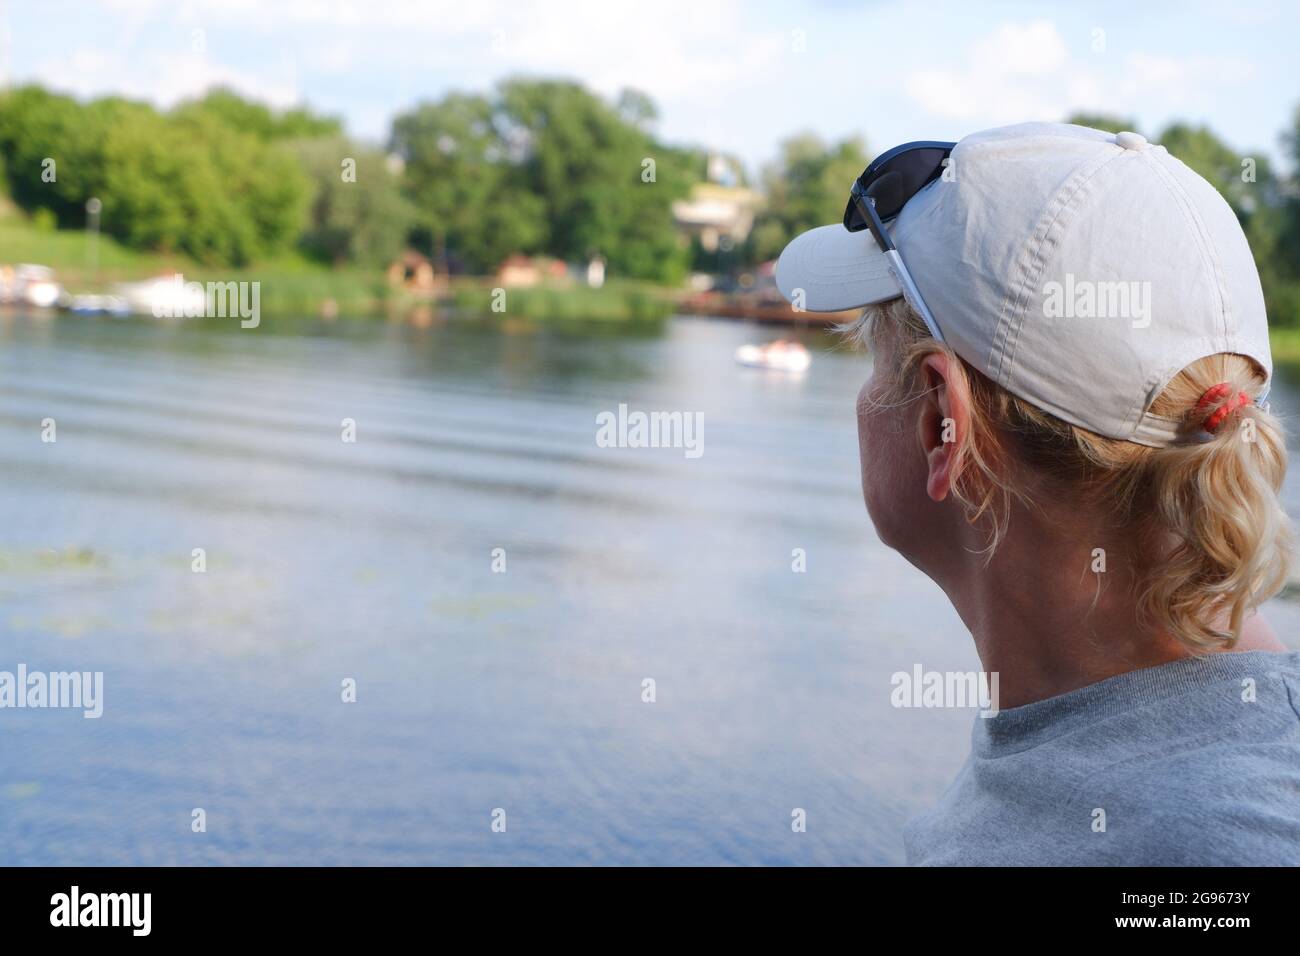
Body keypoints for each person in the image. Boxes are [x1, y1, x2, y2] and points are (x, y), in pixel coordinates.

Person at [775, 122, 1300, 865]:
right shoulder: (1219, 773)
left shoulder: (1206, 846)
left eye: (870, 355)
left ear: (941, 422)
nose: (860, 399)